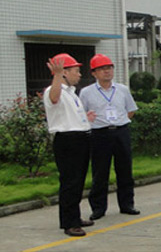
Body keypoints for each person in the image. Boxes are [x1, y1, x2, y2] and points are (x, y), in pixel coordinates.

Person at [80, 54, 139, 220]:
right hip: (99, 133)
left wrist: (119, 121)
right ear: (94, 73)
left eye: (109, 68)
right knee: (100, 171)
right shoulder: (86, 92)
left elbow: (131, 110)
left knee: (125, 169)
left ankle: (127, 204)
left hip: (121, 131)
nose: (107, 72)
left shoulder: (122, 89)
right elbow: (82, 114)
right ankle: (98, 208)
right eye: (102, 69)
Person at [43, 53, 96, 237]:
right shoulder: (53, 90)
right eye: (76, 71)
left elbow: (69, 116)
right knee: (70, 182)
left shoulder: (72, 93)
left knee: (78, 181)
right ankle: (69, 223)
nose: (79, 74)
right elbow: (54, 98)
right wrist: (57, 75)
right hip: (68, 140)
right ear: (64, 72)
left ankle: (75, 216)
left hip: (81, 137)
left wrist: (85, 119)